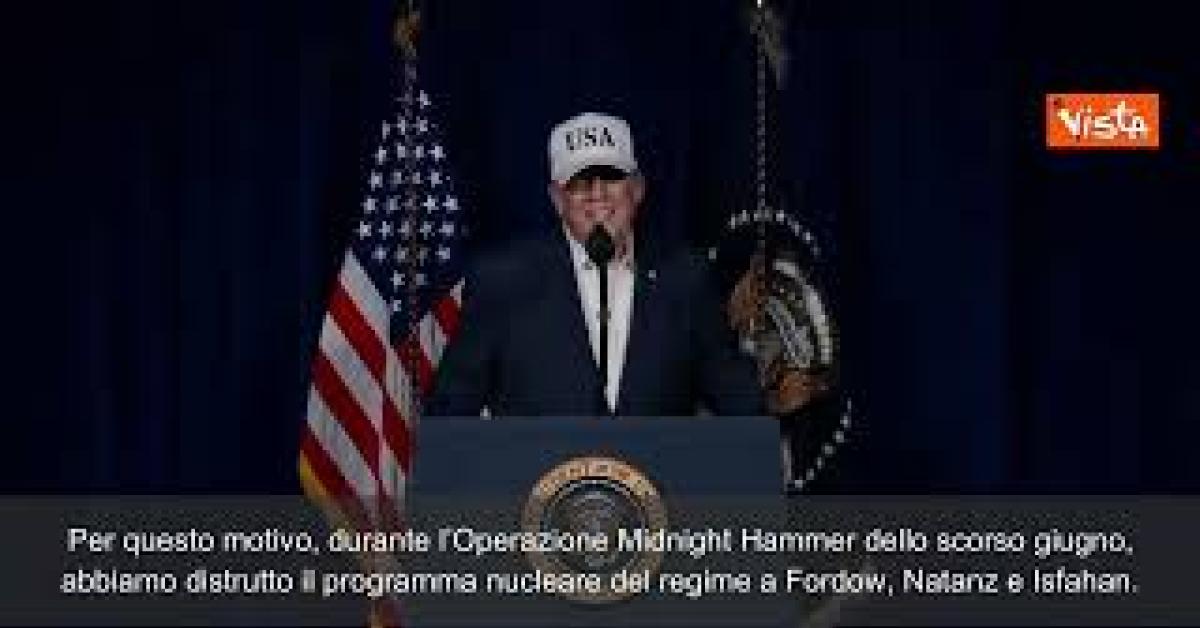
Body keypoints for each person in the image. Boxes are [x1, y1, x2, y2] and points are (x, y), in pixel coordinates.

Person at [426, 112, 762, 417]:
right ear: (557, 199)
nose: (597, 193)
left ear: (637, 189)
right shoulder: (502, 280)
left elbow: (738, 402)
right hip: (535, 468)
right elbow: (450, 414)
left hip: (658, 468)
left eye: (611, 177)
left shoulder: (687, 277)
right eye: (579, 182)